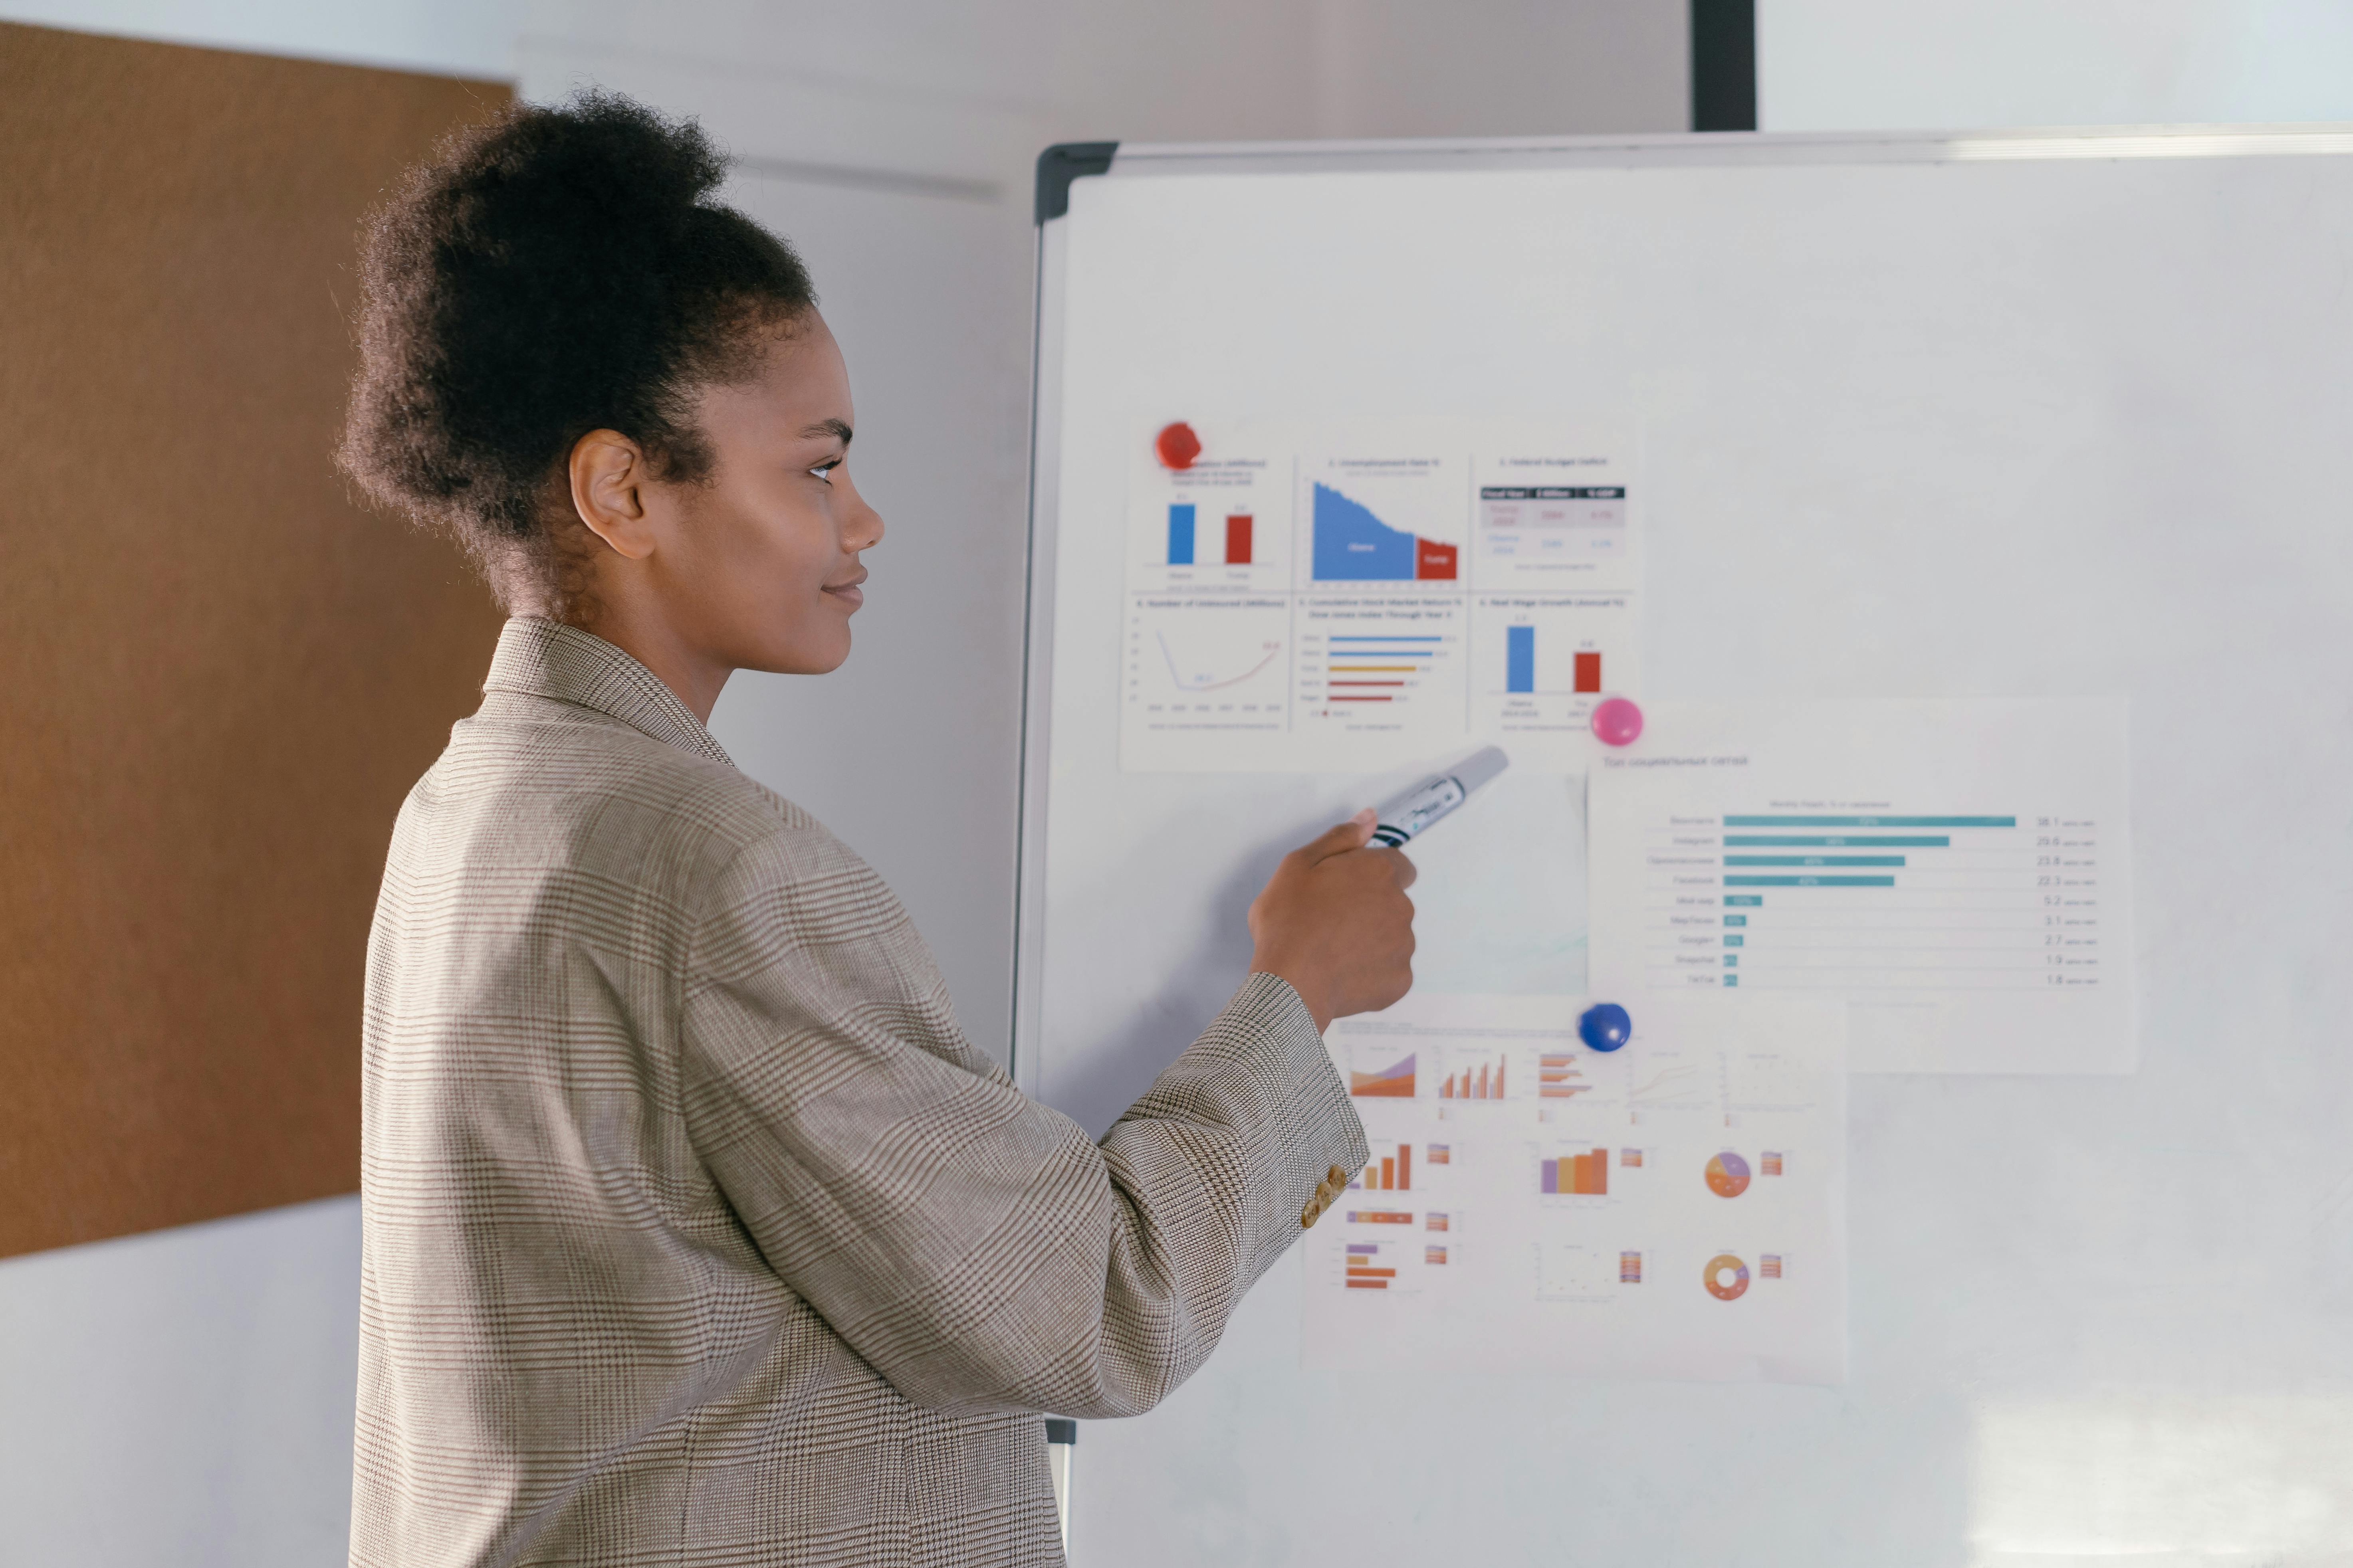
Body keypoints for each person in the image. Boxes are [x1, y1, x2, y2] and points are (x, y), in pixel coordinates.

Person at [337, 93, 1416, 1567]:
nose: (864, 523)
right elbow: (1094, 1306)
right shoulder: (716, 868)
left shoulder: (466, 805)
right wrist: (1300, 993)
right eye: (818, 465)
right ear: (623, 489)